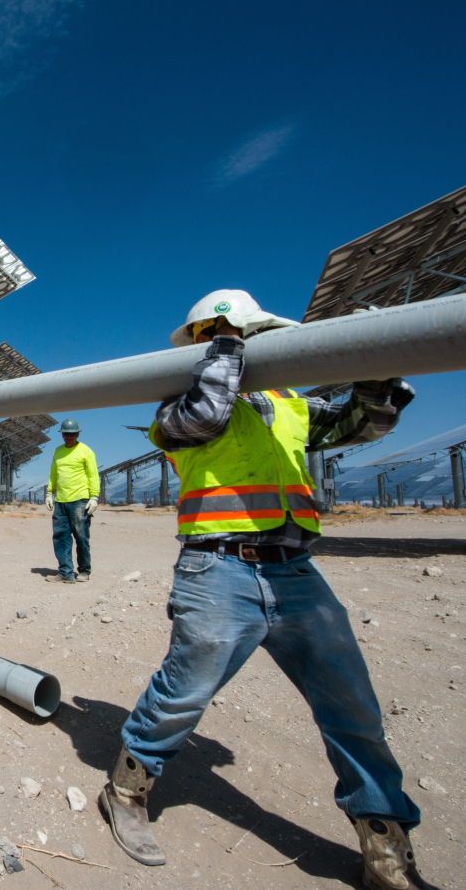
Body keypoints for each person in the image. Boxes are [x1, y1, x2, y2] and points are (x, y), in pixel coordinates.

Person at [98, 289, 429, 890]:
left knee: (352, 708)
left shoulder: (292, 405)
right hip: (216, 569)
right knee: (184, 693)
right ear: (214, 341)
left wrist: (376, 372)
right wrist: (224, 351)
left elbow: (364, 425)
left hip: (294, 571)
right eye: (233, 337)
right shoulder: (174, 406)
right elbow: (208, 416)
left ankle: (386, 850)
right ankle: (125, 789)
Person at [45, 418, 99, 583]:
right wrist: (49, 493)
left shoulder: (86, 451)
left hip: (79, 501)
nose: (68, 437)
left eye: (72, 434)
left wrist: (94, 497)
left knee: (81, 536)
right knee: (61, 537)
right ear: (62, 435)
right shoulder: (57, 452)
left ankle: (84, 570)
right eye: (65, 434)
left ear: (77, 434)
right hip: (61, 501)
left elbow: (93, 475)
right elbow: (54, 474)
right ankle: (65, 572)